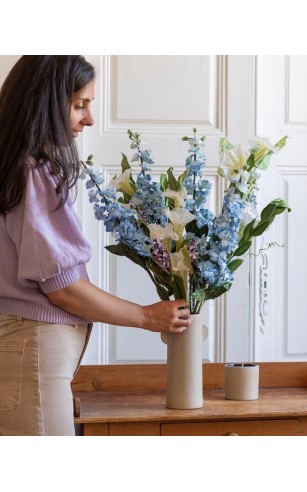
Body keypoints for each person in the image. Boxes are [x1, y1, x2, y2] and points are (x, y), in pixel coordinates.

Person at [0, 56, 191, 436]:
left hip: (23, 350)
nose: (88, 119)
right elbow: (64, 289)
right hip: (33, 350)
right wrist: (146, 316)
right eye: (79, 105)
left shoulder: (14, 165)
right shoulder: (35, 171)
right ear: (45, 103)